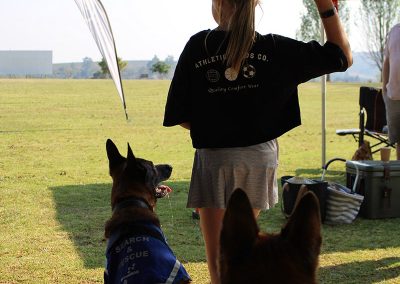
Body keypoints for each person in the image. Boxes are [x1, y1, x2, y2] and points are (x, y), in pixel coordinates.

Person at [163, 0, 352, 283]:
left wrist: (217, 126)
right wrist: (325, 5)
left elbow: (180, 114)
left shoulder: (197, 47)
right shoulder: (274, 49)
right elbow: (341, 56)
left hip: (214, 159)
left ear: (218, 4)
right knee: (241, 257)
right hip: (259, 158)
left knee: (223, 268)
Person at [382, 23, 400, 160]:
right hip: (393, 97)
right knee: (398, 141)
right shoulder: (394, 31)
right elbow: (387, 62)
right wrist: (384, 89)